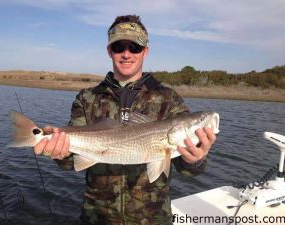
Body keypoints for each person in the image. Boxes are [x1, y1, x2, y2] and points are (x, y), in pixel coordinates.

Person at [34, 15, 216, 225]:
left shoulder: (169, 98)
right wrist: (57, 152)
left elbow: (186, 169)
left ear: (145, 51)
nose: (126, 54)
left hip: (153, 219)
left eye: (135, 47)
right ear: (110, 51)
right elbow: (71, 161)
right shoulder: (87, 97)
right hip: (97, 217)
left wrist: (195, 160)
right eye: (119, 47)